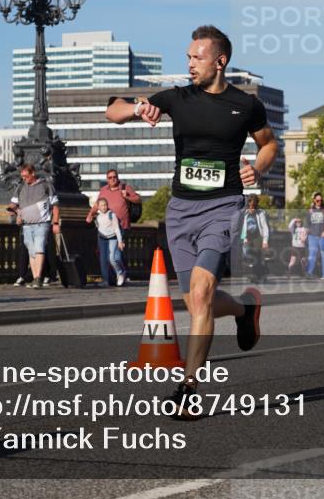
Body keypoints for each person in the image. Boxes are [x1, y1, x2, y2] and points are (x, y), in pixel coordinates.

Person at [105, 25, 277, 417]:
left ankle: (188, 389)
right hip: (181, 211)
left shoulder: (245, 105)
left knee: (200, 295)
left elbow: (268, 143)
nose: (189, 64)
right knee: (196, 301)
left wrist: (258, 168)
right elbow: (112, 109)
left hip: (223, 207)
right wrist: (137, 109)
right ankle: (245, 309)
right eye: (188, 57)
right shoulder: (177, 98)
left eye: (197, 57)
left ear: (220, 61)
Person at [11, 164, 61, 290]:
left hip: (42, 224)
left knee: (39, 248)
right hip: (27, 225)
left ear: (33, 173)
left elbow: (55, 206)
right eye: (22, 177)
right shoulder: (20, 187)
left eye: (26, 176)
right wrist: (17, 213)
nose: (24, 179)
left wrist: (55, 223)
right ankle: (35, 278)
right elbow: (13, 205)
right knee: (31, 252)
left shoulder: (46, 186)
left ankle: (38, 277)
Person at [90, 169, 140, 285]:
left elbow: (138, 199)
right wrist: (90, 214)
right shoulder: (103, 190)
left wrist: (127, 197)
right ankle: (108, 279)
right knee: (105, 256)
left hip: (120, 226)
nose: (113, 179)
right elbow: (97, 204)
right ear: (107, 179)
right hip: (104, 228)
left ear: (117, 177)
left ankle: (121, 274)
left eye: (114, 177)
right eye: (110, 177)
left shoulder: (125, 187)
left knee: (116, 256)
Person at [91, 197, 127, 286]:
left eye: (105, 205)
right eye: (101, 206)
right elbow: (99, 231)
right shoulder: (98, 217)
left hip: (112, 238)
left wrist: (120, 242)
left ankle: (120, 273)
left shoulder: (112, 215)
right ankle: (105, 280)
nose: (104, 207)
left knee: (112, 258)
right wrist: (98, 245)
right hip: (102, 239)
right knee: (103, 260)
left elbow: (117, 229)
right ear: (98, 207)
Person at [239, 194, 270, 283]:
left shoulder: (261, 213)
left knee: (258, 257)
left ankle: (259, 276)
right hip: (248, 238)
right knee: (247, 255)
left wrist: (265, 241)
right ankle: (254, 274)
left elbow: (265, 227)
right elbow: (243, 227)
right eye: (250, 206)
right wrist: (244, 238)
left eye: (253, 206)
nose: (251, 208)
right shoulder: (245, 213)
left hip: (258, 238)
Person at [305, 192, 324, 279]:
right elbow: (307, 224)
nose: (319, 202)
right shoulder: (310, 211)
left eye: (321, 200)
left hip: (323, 236)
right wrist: (306, 231)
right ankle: (309, 273)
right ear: (314, 200)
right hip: (312, 236)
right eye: (317, 200)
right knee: (312, 255)